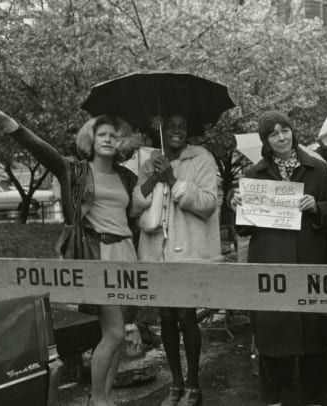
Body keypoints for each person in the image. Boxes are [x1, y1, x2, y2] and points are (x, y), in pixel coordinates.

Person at [0, 99, 138, 406]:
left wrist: (156, 180)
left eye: (113, 136)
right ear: (91, 139)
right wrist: (3, 117)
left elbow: (135, 213)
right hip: (95, 255)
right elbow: (40, 148)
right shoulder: (74, 171)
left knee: (118, 336)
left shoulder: (127, 177)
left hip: (126, 254)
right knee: (114, 333)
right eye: (101, 134)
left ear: (121, 143)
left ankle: (105, 396)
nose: (107, 139)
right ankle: (98, 400)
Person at [230, 111, 327, 406]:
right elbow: (243, 227)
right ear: (266, 141)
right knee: (272, 333)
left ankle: (314, 398)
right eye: (273, 134)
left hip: (308, 261)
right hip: (270, 263)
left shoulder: (317, 169)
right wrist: (238, 204)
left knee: (312, 334)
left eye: (285, 131)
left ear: (293, 132)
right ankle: (274, 400)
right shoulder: (254, 175)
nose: (281, 137)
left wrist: (317, 207)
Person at [130, 113, 220, 406]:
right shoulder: (149, 162)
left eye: (182, 127)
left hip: (189, 252)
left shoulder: (202, 158)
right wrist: (156, 175)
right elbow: (134, 206)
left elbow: (208, 204)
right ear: (161, 130)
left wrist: (174, 181)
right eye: (170, 127)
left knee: (186, 315)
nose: (176, 132)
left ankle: (193, 385)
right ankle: (176, 384)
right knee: (166, 318)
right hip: (157, 252)